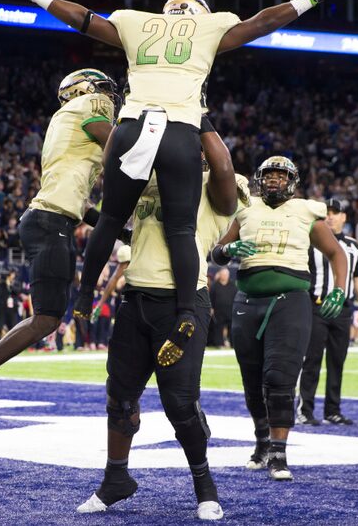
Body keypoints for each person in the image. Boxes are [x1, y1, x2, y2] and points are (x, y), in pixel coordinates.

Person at [2, 0, 348, 367]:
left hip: (134, 125)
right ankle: (187, 312)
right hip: (179, 128)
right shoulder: (209, 26)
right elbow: (260, 23)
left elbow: (84, 19)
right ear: (199, 13)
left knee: (112, 216)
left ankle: (83, 296)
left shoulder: (137, 21)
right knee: (182, 228)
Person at [75, 131, 242, 520]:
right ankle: (115, 478)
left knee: (181, 405)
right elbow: (132, 231)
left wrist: (196, 117)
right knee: (119, 398)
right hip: (136, 299)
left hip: (182, 303)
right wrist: (86, 209)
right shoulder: (152, 180)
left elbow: (224, 168)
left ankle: (205, 487)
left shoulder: (209, 184)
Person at [0, 69, 119, 427]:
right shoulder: (88, 107)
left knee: (48, 318)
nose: (108, 98)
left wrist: (120, 229)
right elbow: (121, 147)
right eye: (103, 90)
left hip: (52, 220)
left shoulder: (68, 126)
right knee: (46, 319)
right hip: (49, 223)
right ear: (83, 91)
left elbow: (77, 201)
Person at [212, 156, 347, 481]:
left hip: (291, 302)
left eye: (280, 175)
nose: (274, 180)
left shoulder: (306, 210)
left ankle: (279, 453)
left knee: (280, 379)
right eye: (269, 175)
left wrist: (340, 290)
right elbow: (216, 252)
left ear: (292, 182)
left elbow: (336, 253)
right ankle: (262, 441)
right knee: (252, 382)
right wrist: (229, 252)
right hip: (248, 301)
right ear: (260, 179)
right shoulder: (245, 209)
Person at [298, 198, 358, 426]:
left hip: (343, 309)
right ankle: (305, 409)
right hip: (315, 306)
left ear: (343, 217)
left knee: (337, 361)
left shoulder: (353, 246)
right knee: (312, 360)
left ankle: (332, 410)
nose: (330, 216)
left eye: (335, 212)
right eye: (326, 212)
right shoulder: (309, 242)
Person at [208, 268, 236, 348]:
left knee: (232, 328)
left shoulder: (232, 285)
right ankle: (219, 343)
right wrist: (211, 308)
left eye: (226, 275)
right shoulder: (214, 286)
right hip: (218, 311)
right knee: (218, 328)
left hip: (230, 310)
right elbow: (211, 297)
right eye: (223, 274)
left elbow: (236, 297)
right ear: (220, 275)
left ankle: (233, 344)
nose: (225, 276)